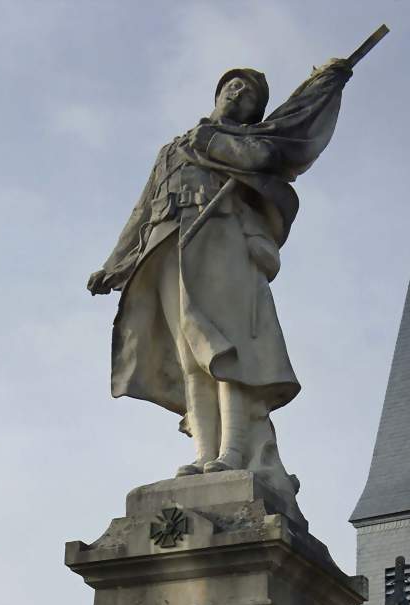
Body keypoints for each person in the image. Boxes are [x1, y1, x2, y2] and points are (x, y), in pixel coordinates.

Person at [88, 60, 352, 491]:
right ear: (217, 92)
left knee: (226, 348)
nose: (237, 94)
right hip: (171, 244)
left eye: (247, 95)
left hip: (222, 240)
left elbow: (265, 157)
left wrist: (213, 141)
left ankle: (233, 451)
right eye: (232, 86)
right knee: (192, 358)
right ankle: (203, 455)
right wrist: (116, 263)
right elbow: (142, 211)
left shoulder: (243, 142)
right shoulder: (173, 149)